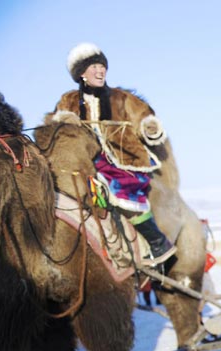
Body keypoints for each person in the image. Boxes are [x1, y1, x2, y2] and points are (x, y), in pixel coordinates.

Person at [54, 42, 176, 266]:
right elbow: (54, 127)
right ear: (81, 73)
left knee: (117, 188)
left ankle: (158, 242)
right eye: (94, 67)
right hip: (88, 161)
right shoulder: (68, 101)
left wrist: (149, 126)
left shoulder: (122, 98)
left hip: (124, 160)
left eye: (102, 66)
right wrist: (63, 125)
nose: (100, 71)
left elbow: (144, 116)